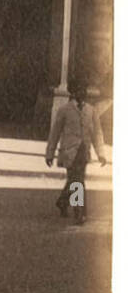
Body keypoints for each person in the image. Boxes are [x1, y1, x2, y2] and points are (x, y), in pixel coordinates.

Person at [46, 78, 107, 224]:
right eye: (79, 90)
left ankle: (62, 201)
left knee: (75, 180)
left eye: (84, 90)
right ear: (72, 92)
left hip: (83, 152)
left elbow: (97, 133)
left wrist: (101, 153)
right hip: (69, 152)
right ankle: (79, 212)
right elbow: (55, 132)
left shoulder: (91, 111)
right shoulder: (64, 110)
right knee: (77, 182)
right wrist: (50, 153)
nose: (82, 93)